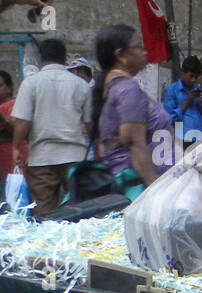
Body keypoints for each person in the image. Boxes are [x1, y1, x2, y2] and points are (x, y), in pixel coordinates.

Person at [9, 38, 94, 215]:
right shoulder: (80, 85)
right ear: (64, 58)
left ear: (41, 58)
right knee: (81, 211)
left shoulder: (31, 83)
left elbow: (22, 121)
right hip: (75, 157)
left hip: (42, 159)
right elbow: (89, 124)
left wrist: (16, 147)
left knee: (44, 212)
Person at [91, 25, 175, 189]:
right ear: (121, 55)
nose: (145, 52)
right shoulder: (128, 90)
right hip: (138, 186)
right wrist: (156, 191)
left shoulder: (111, 88)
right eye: (139, 47)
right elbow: (134, 144)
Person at [163, 56, 202, 147]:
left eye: (196, 77)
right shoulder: (171, 91)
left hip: (201, 137)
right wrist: (188, 100)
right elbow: (169, 118)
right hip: (182, 139)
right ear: (183, 72)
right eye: (191, 76)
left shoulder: (198, 91)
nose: (193, 80)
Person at [0, 71, 20, 177]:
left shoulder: (14, 105)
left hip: (12, 158)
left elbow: (17, 132)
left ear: (10, 87)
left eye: (0, 85)